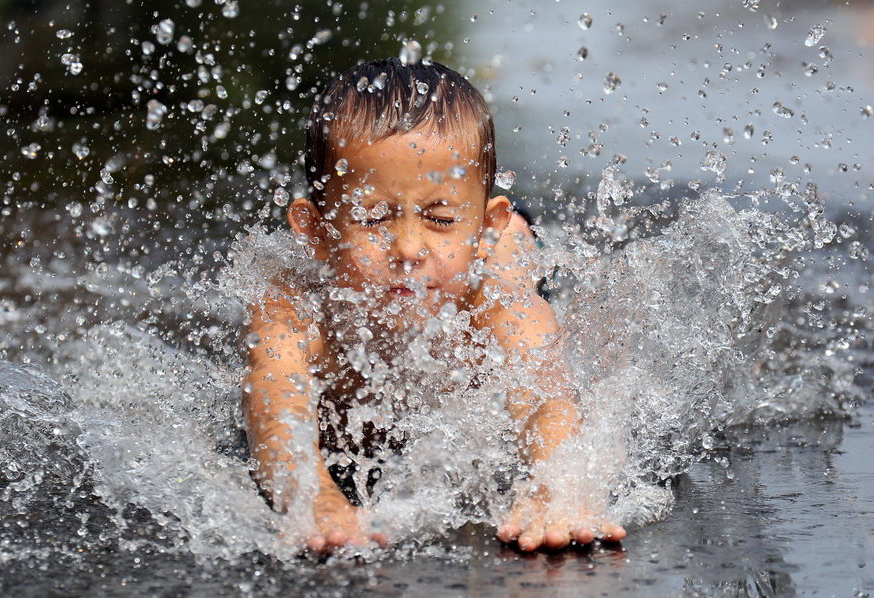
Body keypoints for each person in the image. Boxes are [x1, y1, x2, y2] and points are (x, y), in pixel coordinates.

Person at [242, 57, 625, 554]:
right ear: (317, 232)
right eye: (374, 218)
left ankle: (508, 233)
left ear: (481, 226)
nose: (407, 249)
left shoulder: (491, 296)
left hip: (484, 258)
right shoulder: (292, 306)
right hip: (461, 242)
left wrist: (557, 486)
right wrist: (314, 498)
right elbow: (275, 413)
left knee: (513, 261)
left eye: (438, 220)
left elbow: (547, 395)